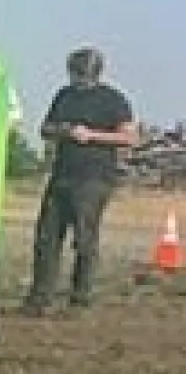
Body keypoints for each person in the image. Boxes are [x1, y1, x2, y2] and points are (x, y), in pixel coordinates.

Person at [19, 45, 138, 317]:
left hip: (94, 179)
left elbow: (129, 137)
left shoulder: (113, 99)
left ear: (94, 72)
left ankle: (80, 299)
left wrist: (91, 135)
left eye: (82, 73)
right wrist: (64, 130)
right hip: (61, 175)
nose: (77, 77)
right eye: (75, 72)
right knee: (46, 238)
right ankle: (39, 299)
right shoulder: (64, 96)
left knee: (84, 240)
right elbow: (45, 128)